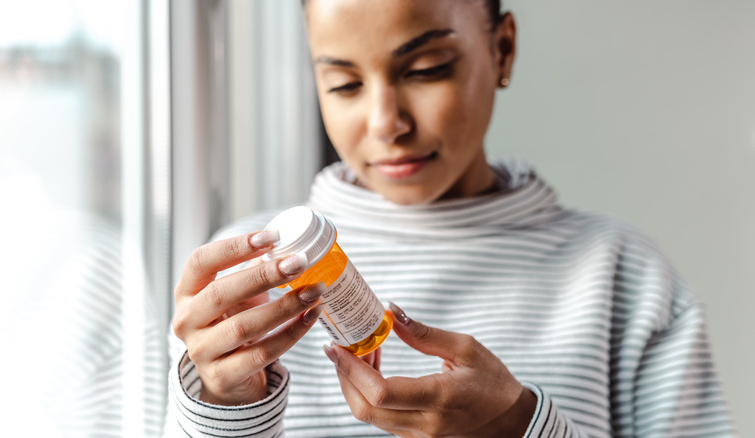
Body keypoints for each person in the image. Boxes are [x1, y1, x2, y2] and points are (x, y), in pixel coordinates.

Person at [166, 0, 736, 436]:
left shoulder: (624, 276)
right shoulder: (242, 282)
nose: (386, 123)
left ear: (503, 50)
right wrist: (224, 411)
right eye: (343, 84)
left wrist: (520, 426)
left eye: (427, 69)